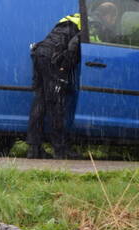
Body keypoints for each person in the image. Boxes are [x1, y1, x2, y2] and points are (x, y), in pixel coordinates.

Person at [26, 13, 82, 159]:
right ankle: (61, 150)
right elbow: (73, 46)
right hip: (52, 59)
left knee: (41, 101)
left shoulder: (71, 19)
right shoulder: (88, 24)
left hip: (40, 54)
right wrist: (64, 68)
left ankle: (34, 148)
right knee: (56, 104)